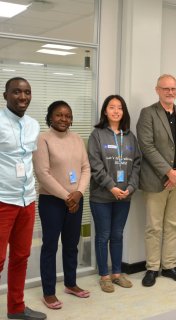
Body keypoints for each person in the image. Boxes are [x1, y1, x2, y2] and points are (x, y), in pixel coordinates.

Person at [137, 74, 176, 286]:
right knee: (154, 227)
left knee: (173, 225)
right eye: (166, 89)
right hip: (156, 181)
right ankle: (152, 268)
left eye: (173, 89)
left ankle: (170, 266)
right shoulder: (148, 114)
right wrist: (168, 172)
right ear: (157, 90)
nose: (170, 92)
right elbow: (146, 146)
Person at [33, 101, 91, 309]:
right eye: (59, 115)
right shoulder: (43, 139)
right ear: (50, 117)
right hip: (52, 202)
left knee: (71, 244)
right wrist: (68, 197)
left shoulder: (76, 139)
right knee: (49, 246)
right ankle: (48, 292)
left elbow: (85, 168)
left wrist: (78, 193)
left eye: (67, 115)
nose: (64, 119)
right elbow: (42, 174)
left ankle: (70, 283)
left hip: (76, 199)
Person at [0, 77, 46, 320]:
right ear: (5, 95)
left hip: (27, 200)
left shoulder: (33, 125)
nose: (22, 97)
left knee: (21, 256)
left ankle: (16, 309)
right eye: (16, 92)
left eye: (27, 92)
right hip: (2, 201)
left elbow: (29, 161)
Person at [88, 95, 141, 293]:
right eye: (112, 107)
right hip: (102, 196)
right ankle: (104, 276)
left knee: (117, 234)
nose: (116, 111)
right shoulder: (97, 135)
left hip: (124, 195)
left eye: (120, 108)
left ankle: (117, 274)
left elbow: (137, 163)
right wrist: (111, 186)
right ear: (105, 111)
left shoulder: (129, 136)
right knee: (103, 235)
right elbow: (95, 164)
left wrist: (131, 187)